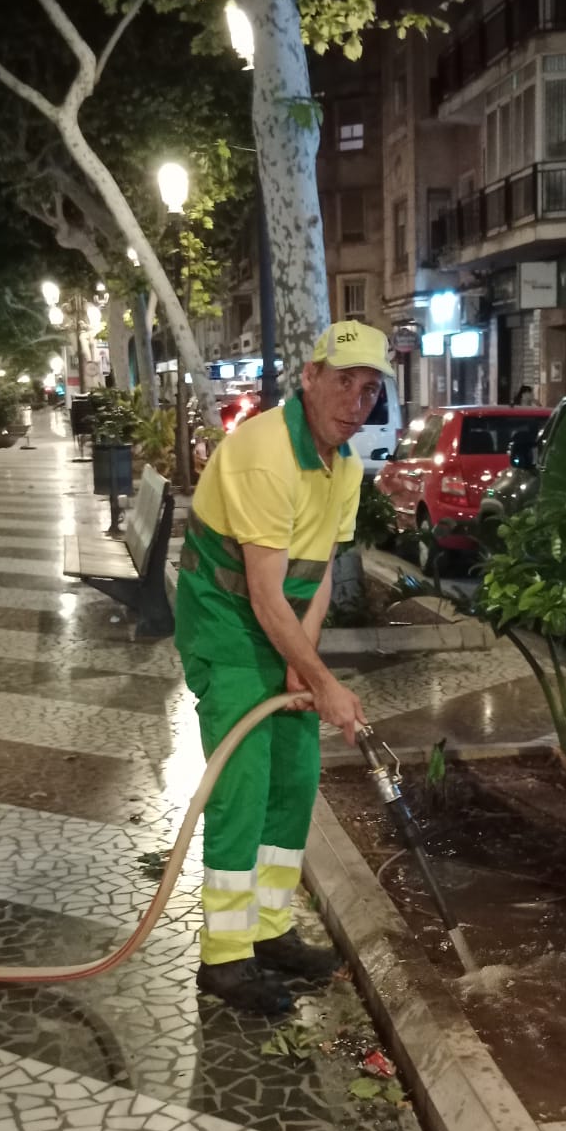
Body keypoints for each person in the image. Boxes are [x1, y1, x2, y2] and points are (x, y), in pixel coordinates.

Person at [174, 320, 381, 1014]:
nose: (355, 399)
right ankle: (225, 960)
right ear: (309, 378)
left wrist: (306, 666)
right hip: (226, 623)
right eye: (344, 380)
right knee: (244, 780)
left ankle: (268, 931)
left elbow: (315, 574)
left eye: (369, 387)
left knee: (295, 773)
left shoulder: (344, 466)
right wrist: (325, 684)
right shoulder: (265, 451)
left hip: (281, 623)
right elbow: (262, 592)